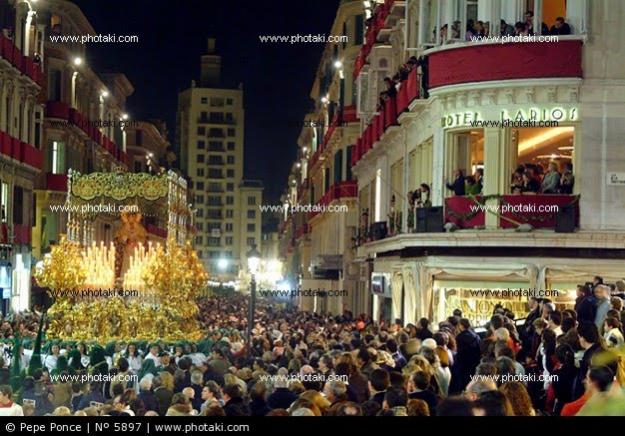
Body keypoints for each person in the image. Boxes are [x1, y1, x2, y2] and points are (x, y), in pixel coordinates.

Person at [573, 323, 603, 400]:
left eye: (579, 337)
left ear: (583, 338)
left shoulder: (589, 357)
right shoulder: (600, 349)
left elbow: (584, 382)